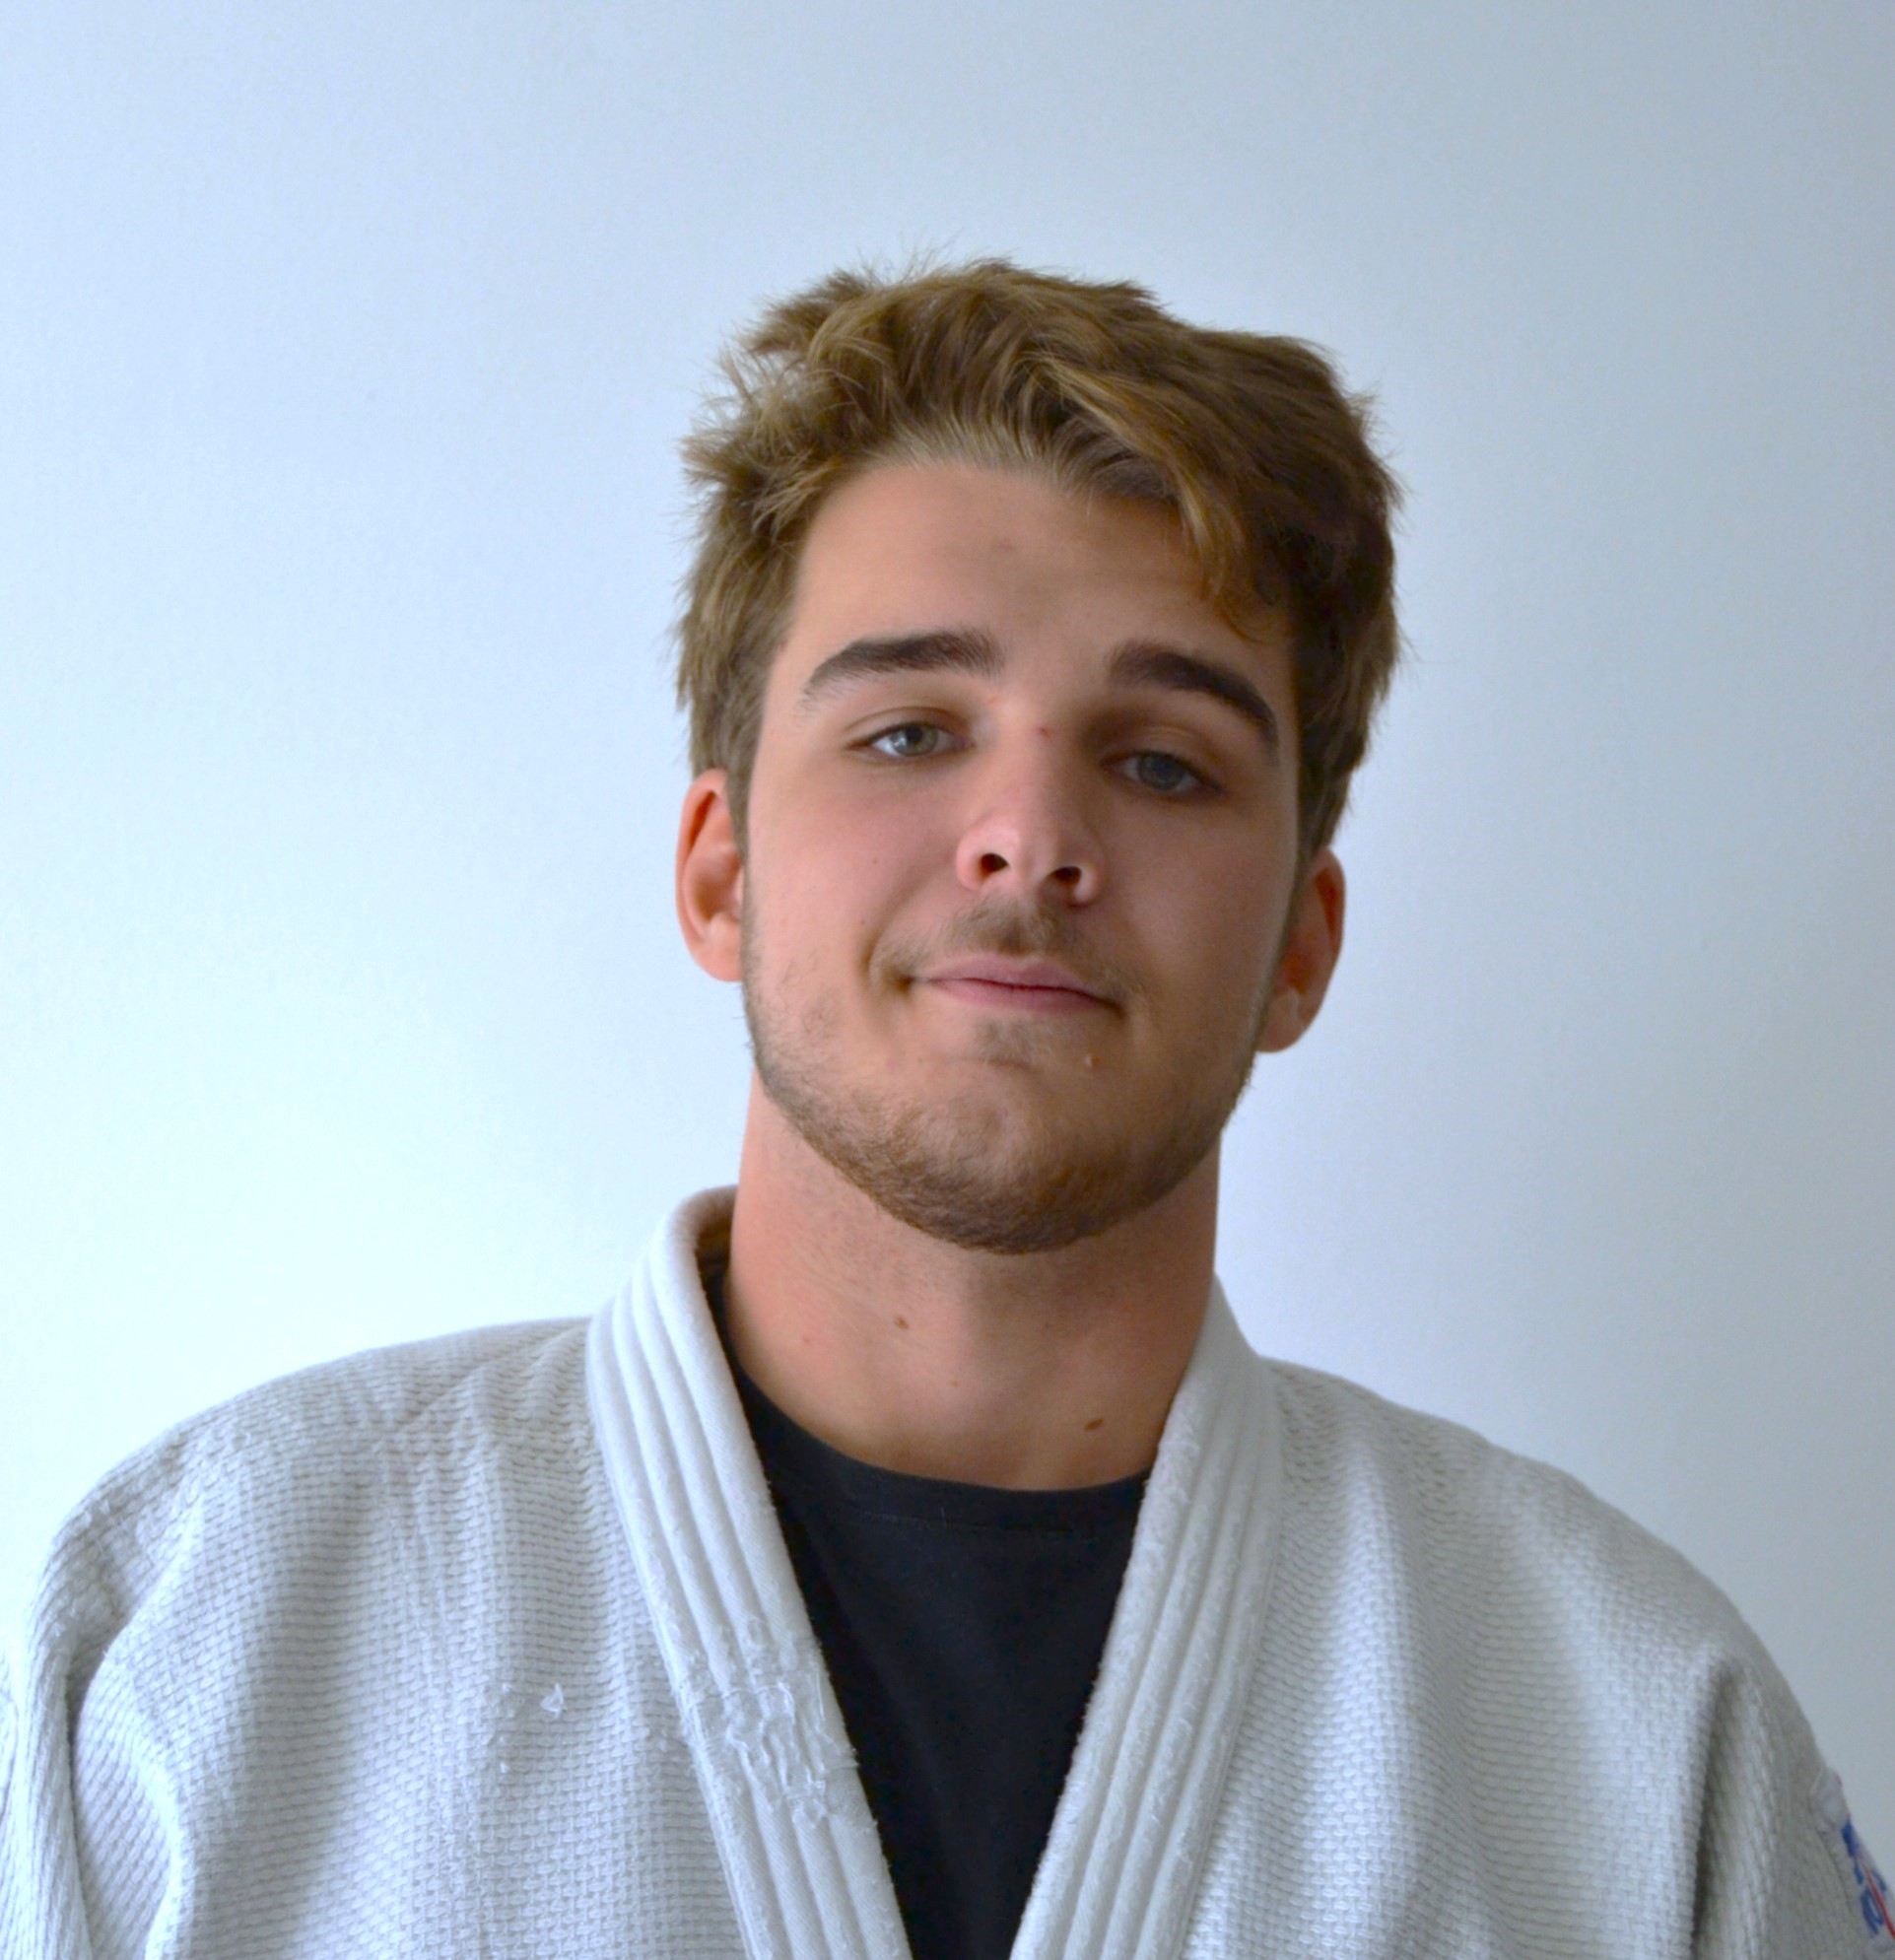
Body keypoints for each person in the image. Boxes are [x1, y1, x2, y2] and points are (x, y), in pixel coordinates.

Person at [2, 261, 1886, 1960]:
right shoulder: (205, 1636)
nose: (1031, 836)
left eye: (1166, 761)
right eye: (908, 730)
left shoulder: (1633, 1732)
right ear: (720, 871)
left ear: (1301, 945)